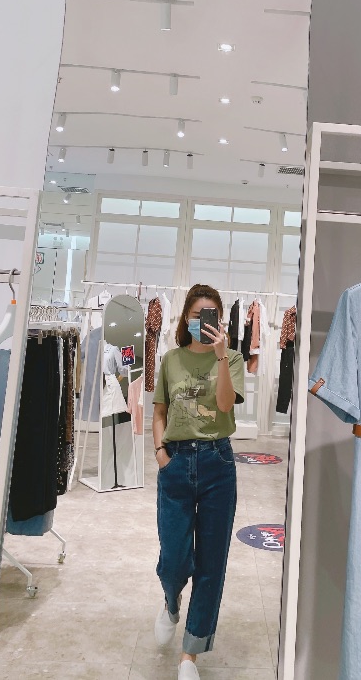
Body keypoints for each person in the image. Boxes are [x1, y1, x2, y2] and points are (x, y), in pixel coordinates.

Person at [152, 283, 245, 680]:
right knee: (174, 559)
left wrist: (221, 356)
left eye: (211, 316)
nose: (203, 322)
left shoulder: (233, 358)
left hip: (217, 463)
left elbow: (224, 405)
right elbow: (159, 412)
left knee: (211, 562)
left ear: (219, 321)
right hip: (176, 462)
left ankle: (189, 654)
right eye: (197, 315)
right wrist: (161, 454)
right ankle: (171, 601)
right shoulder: (171, 360)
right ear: (186, 318)